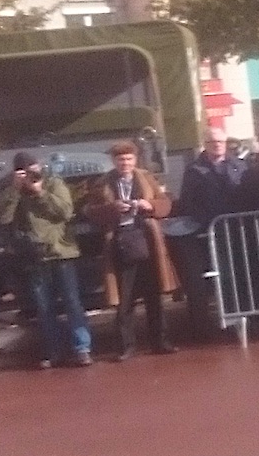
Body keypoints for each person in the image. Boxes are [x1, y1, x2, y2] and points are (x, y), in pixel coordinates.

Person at [0, 151, 93, 368]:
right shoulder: (9, 188)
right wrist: (15, 189)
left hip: (61, 252)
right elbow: (1, 217)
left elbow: (65, 211)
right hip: (33, 256)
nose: (30, 174)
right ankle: (52, 351)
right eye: (24, 170)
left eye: (33, 168)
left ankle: (82, 348)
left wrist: (40, 191)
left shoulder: (53, 182)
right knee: (44, 308)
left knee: (72, 302)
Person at [85, 141, 179, 361]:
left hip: (148, 243)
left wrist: (150, 206)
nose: (125, 163)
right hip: (120, 245)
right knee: (124, 301)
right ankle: (126, 347)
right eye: (120, 160)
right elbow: (90, 211)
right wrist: (112, 209)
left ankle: (160, 342)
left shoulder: (146, 178)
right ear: (114, 161)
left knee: (154, 297)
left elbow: (166, 204)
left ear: (135, 160)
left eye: (128, 159)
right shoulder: (103, 183)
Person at [171, 126, 244, 339]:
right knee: (207, 280)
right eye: (213, 142)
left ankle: (238, 319)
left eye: (221, 142)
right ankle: (207, 326)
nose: (217, 146)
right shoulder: (194, 170)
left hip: (235, 231)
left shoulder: (239, 166)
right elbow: (187, 202)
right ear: (206, 144)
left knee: (236, 276)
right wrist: (203, 223)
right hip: (206, 233)